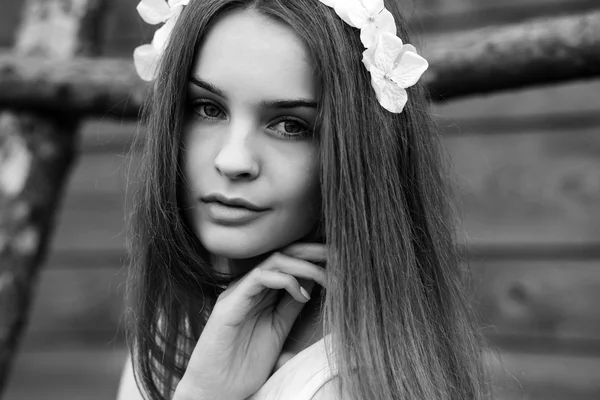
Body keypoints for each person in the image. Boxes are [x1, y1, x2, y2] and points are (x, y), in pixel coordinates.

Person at [116, 0, 490, 399]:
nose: (233, 160)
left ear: (360, 152)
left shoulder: (337, 386)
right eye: (208, 109)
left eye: (290, 125)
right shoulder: (177, 330)